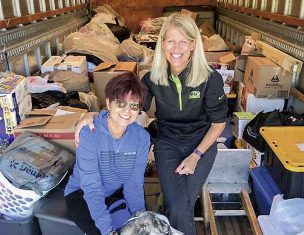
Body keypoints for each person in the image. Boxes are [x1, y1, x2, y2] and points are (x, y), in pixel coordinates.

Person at [76, 13, 227, 235]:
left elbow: (218, 124)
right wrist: (94, 116)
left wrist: (195, 155)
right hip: (168, 143)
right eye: (171, 41)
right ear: (162, 43)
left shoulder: (210, 78)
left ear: (194, 45)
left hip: (202, 144)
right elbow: (129, 108)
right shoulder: (153, 77)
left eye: (183, 41)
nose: (176, 48)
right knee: (178, 204)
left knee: (179, 203)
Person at [65, 72, 150, 235]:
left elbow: (134, 184)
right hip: (82, 193)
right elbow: (92, 187)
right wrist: (107, 230)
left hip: (116, 191)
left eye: (134, 105)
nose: (127, 111)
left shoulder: (142, 138)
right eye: (120, 103)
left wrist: (140, 220)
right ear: (109, 102)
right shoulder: (89, 133)